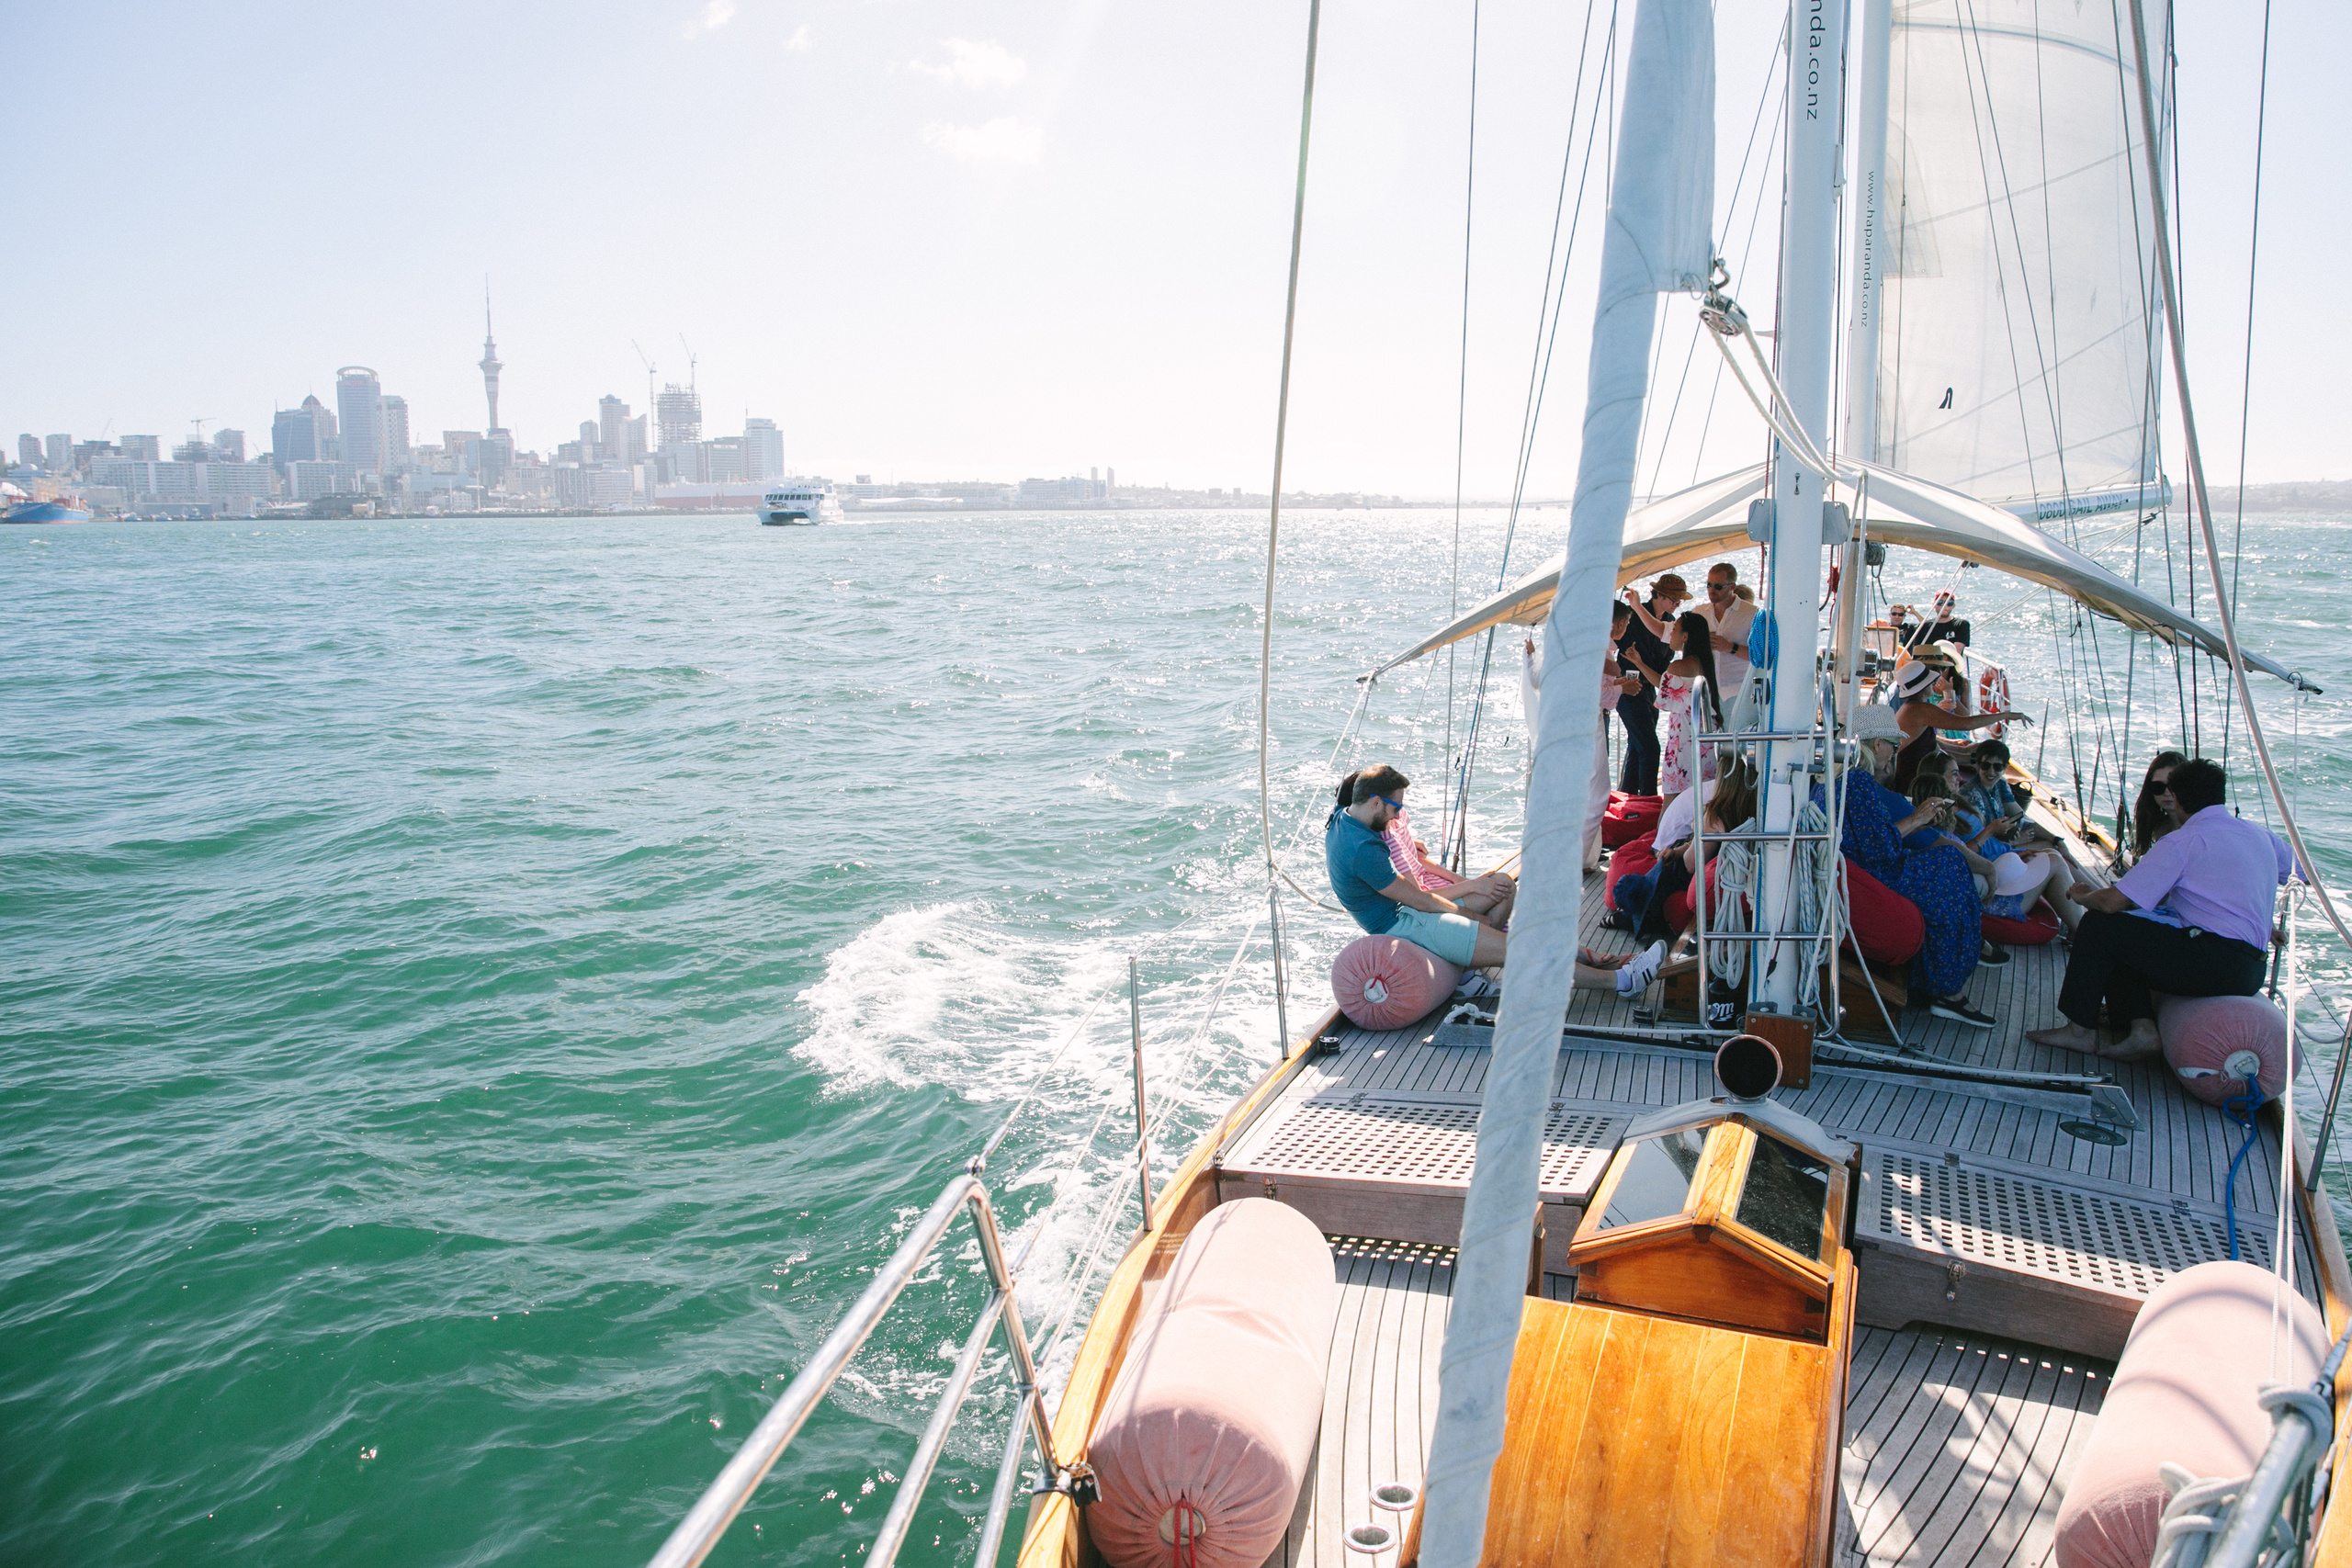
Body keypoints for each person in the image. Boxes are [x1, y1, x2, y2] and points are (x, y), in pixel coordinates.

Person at [2027, 759, 2301, 1059]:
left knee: (2100, 923)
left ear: (2178, 800)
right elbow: (2302, 874)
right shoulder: (2262, 836)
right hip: (2251, 971)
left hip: (2211, 962)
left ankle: (2079, 1031)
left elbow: (2112, 902)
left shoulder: (2183, 841)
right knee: (2128, 932)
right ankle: (2141, 1030)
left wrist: (2083, 896)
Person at [1326, 764, 1665, 992]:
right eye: (1395, 809)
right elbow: (1420, 901)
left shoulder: (1346, 817)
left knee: (1503, 893)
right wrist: (1472, 918)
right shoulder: (1362, 850)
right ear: (1374, 802)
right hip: (1404, 922)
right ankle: (1622, 982)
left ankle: (1469, 969)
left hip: (1409, 912)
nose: (1398, 816)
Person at [1817, 705, 1992, 1025]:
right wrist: (1918, 818)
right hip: (1872, 876)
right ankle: (1948, 988)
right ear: (1877, 744)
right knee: (1951, 866)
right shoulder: (1858, 782)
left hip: (1857, 873)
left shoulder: (1835, 780)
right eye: (1894, 747)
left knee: (1948, 863)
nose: (1894, 755)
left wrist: (1919, 822)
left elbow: (1872, 840)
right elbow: (1881, 848)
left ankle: (1942, 973)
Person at [1885, 656, 2027, 789]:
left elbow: (1933, 746)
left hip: (1916, 773)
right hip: (1913, 781)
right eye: (1930, 682)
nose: (1933, 684)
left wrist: (1968, 753)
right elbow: (1967, 724)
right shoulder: (1919, 710)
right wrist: (2006, 715)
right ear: (1924, 687)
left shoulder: (1911, 707)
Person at [1614, 579, 1680, 794]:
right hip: (1629, 688)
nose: (1677, 603)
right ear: (1659, 595)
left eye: (1679, 600)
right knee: (1650, 747)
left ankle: (1629, 796)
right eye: (1674, 599)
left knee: (1637, 747)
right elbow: (1613, 639)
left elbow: (1666, 659)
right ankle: (1649, 799)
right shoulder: (1633, 617)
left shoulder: (1671, 623)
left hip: (1651, 690)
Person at [1655, 611, 1724, 797]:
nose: (1671, 633)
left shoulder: (1678, 666)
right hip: (1705, 741)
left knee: (1671, 802)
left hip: (1684, 741)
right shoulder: (1702, 663)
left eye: (1674, 629)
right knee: (1702, 802)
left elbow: (1663, 696)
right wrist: (1639, 662)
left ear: (1685, 636)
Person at [1701, 561, 1758, 716]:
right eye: (1708, 585)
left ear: (1732, 587)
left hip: (1740, 693)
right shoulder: (1699, 613)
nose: (1711, 590)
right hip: (1706, 693)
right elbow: (1671, 637)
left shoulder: (1752, 614)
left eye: (1718, 586)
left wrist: (1730, 647)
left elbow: (1762, 655)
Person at [2129, 750, 2190, 860]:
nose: (2167, 793)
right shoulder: (2161, 826)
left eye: (2173, 786)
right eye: (2158, 787)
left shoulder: (2196, 829)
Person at [1892, 589, 1972, 650]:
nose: (1944, 606)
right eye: (1940, 602)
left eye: (1949, 603)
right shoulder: (1926, 627)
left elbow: (1957, 651)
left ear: (1953, 606)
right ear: (1934, 605)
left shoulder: (1961, 625)